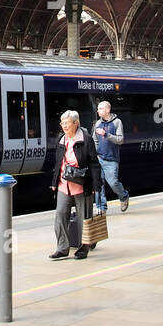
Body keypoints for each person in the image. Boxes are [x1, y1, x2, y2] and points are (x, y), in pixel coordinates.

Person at [49, 110, 103, 261]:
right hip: (63, 184)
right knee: (60, 214)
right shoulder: (61, 140)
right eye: (62, 123)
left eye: (67, 123)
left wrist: (95, 185)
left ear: (76, 123)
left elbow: (94, 163)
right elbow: (58, 163)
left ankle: (84, 247)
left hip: (81, 184)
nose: (64, 126)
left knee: (84, 217)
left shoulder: (86, 139)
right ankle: (62, 248)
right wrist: (54, 182)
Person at [92, 100, 129, 214]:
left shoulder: (117, 122)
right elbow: (95, 139)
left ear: (108, 110)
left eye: (101, 108)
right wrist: (96, 153)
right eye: (98, 109)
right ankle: (101, 207)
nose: (98, 111)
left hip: (112, 159)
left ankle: (123, 196)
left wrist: (106, 134)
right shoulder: (97, 124)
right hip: (100, 158)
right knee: (99, 183)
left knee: (113, 182)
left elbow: (120, 140)